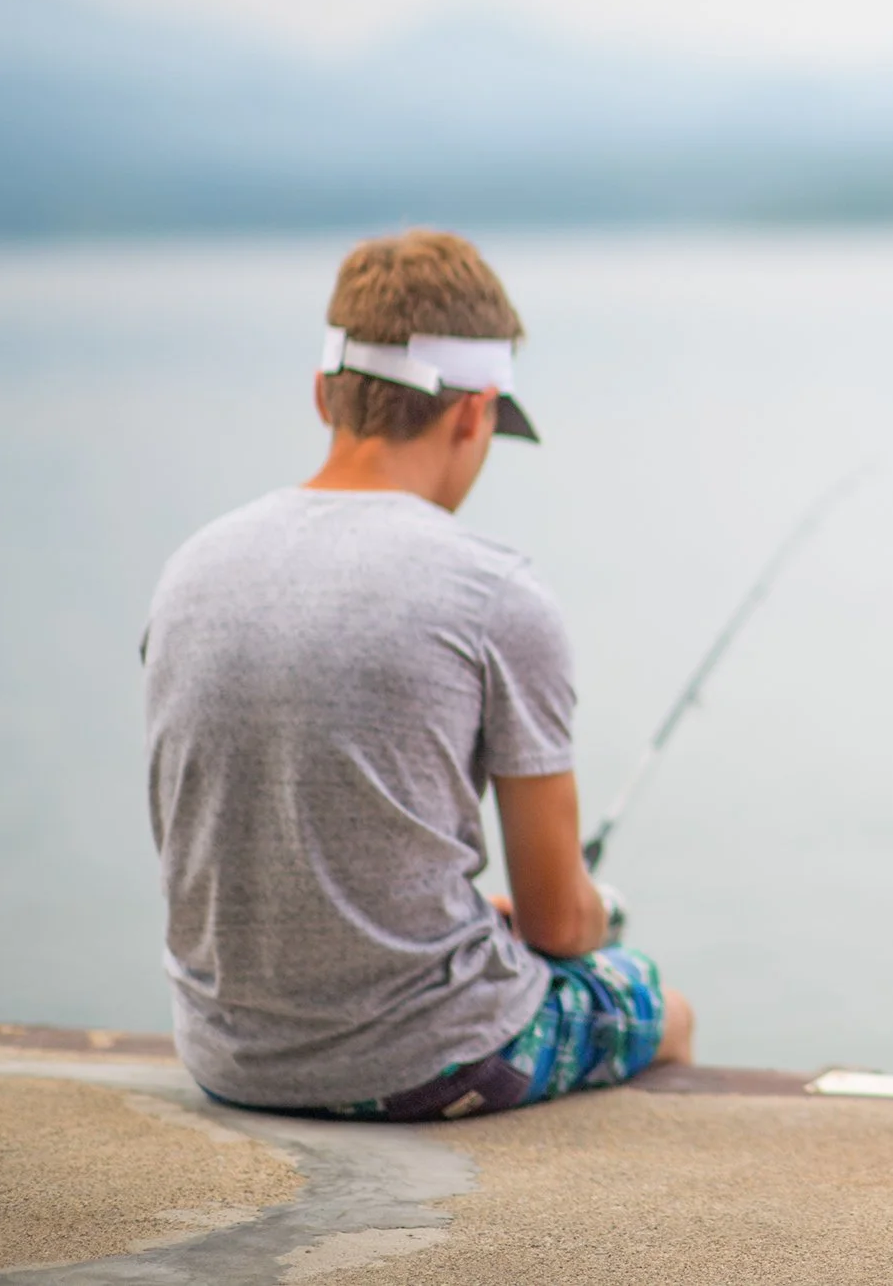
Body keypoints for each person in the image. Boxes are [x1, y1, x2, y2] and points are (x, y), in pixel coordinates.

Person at [143, 229, 692, 1120]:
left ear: (324, 393)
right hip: (421, 1064)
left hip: (225, 1056)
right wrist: (596, 916)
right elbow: (556, 925)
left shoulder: (191, 569)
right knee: (653, 1001)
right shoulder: (497, 592)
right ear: (474, 414)